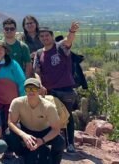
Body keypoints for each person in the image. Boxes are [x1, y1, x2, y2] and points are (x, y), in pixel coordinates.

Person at [33, 22, 81, 153]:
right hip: (48, 91)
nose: (44, 38)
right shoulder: (38, 53)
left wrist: (71, 31)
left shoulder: (60, 47)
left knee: (67, 116)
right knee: (49, 117)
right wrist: (40, 84)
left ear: (52, 36)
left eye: (47, 35)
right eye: (41, 36)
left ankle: (70, 143)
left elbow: (68, 40)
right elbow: (37, 71)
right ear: (39, 38)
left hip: (65, 89)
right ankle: (54, 142)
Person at [6, 78, 65, 164]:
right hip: (26, 130)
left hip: (44, 131)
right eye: (28, 88)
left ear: (39, 90)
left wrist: (42, 140)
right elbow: (11, 122)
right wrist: (24, 135)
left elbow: (56, 129)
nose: (31, 91)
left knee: (60, 141)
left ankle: (54, 161)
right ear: (25, 90)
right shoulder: (17, 102)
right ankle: (23, 154)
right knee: (9, 133)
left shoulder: (49, 107)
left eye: (34, 88)